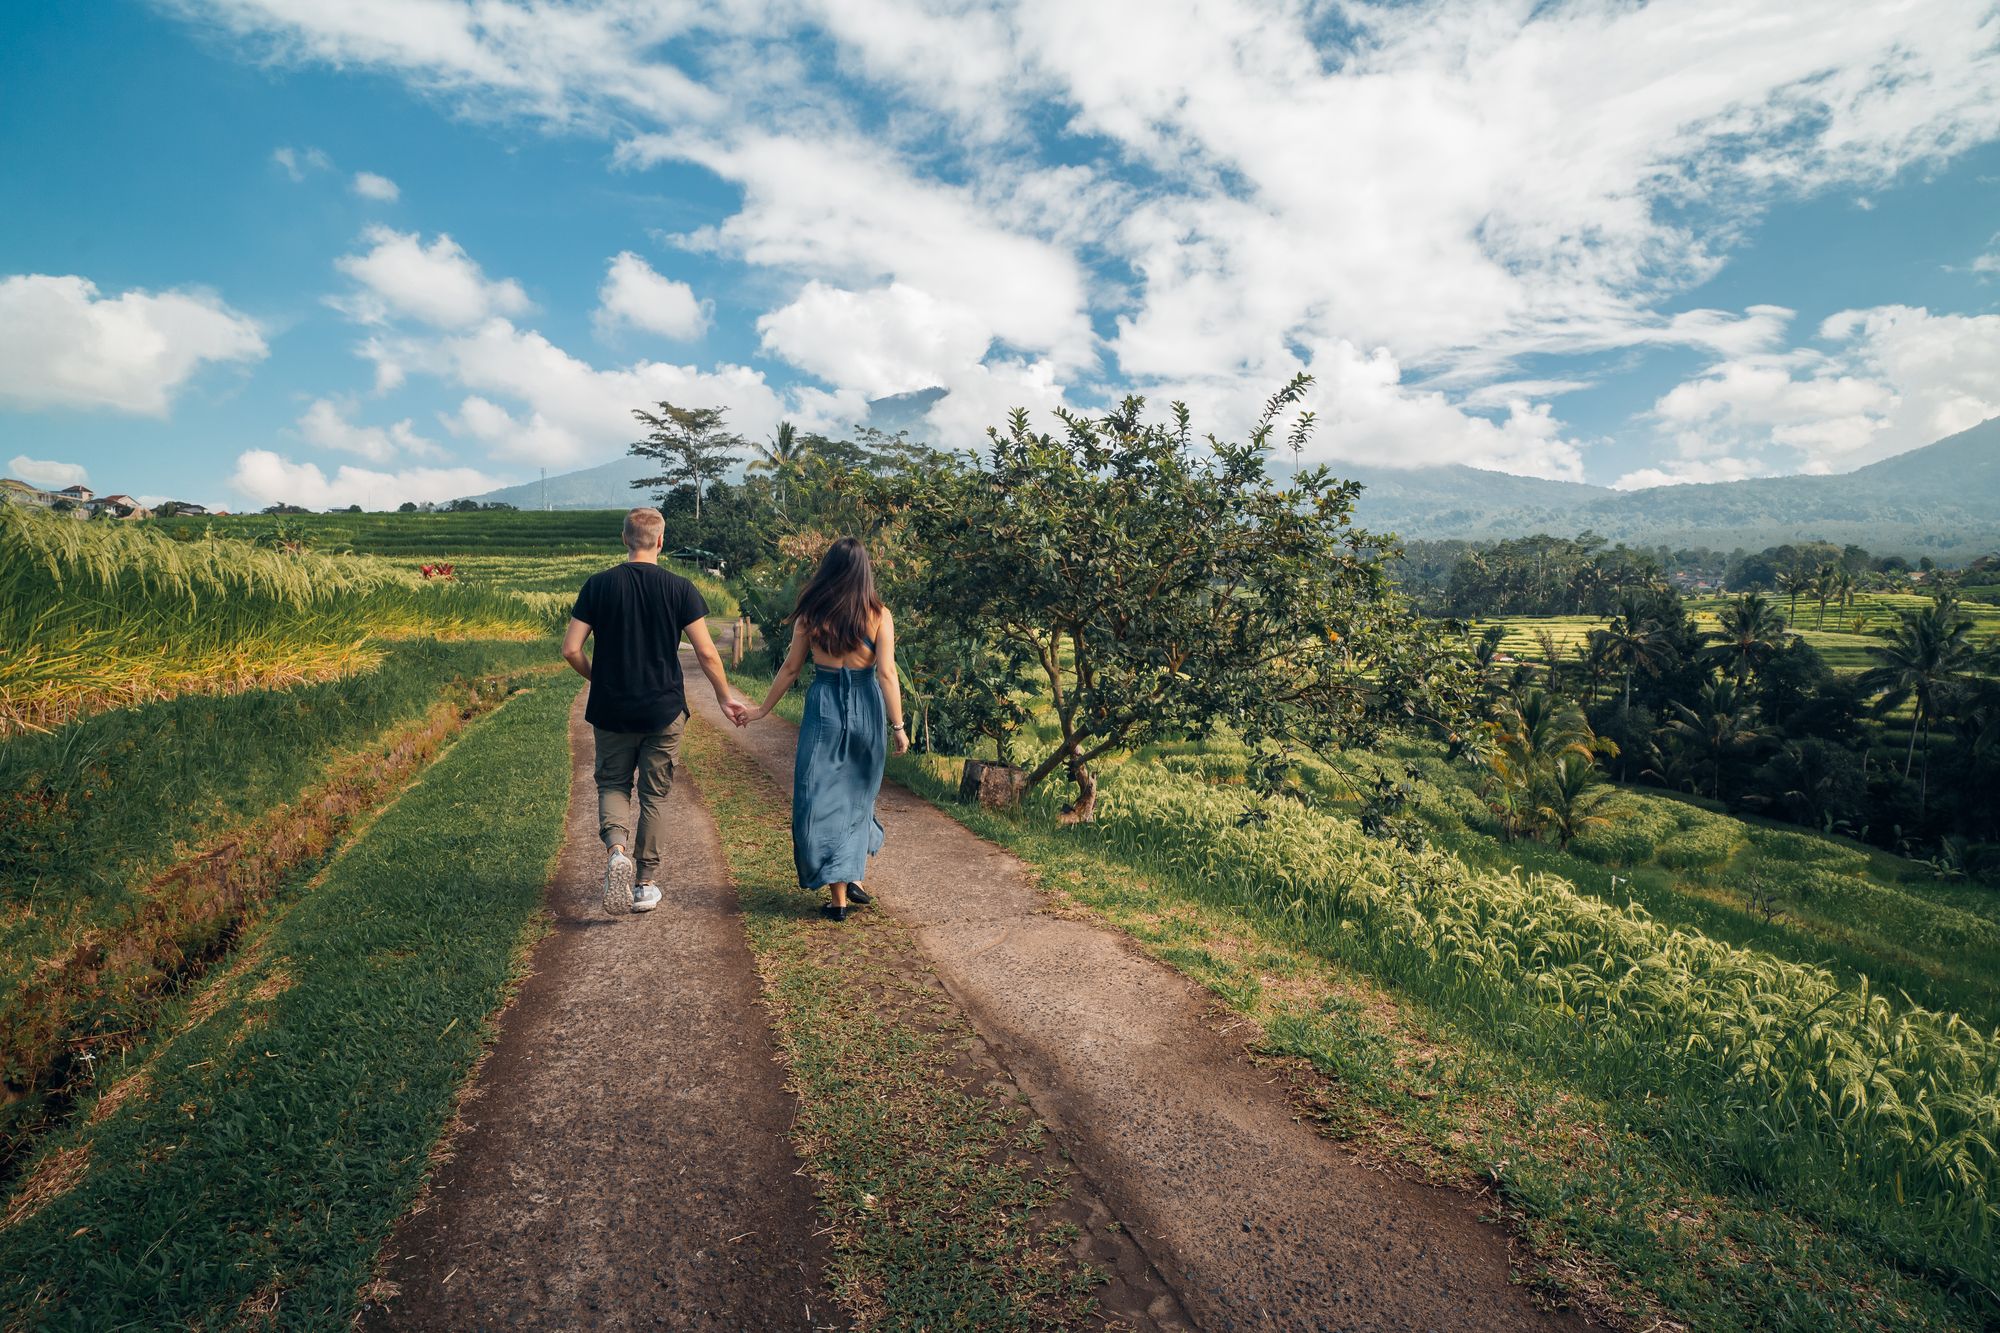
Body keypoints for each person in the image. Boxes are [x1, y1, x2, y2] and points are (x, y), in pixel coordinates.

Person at [563, 507, 748, 915]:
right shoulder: (680, 588)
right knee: (654, 795)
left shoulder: (598, 585)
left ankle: (615, 852)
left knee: (612, 783)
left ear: (624, 538)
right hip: (663, 710)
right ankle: (644, 884)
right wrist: (722, 695)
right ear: (661, 541)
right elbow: (704, 651)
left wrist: (597, 678)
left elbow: (571, 649)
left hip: (611, 708)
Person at [743, 537, 908, 921]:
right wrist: (897, 725)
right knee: (858, 793)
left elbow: (790, 669)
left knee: (819, 796)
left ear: (828, 569)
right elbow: (886, 673)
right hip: (868, 705)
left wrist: (763, 710)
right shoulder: (880, 615)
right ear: (864, 571)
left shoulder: (811, 615)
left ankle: (840, 897)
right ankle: (849, 877)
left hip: (824, 707)